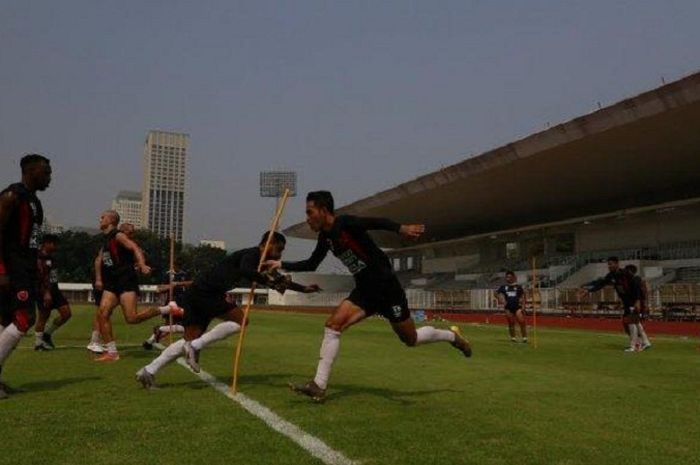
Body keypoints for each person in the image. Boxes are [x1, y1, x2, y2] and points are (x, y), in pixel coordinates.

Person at [267, 191, 472, 403]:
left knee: (411, 339)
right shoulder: (325, 238)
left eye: (310, 213)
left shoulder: (345, 223)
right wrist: (280, 264)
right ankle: (319, 385)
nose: (307, 218)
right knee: (332, 326)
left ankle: (452, 337)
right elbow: (311, 263)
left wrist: (401, 229)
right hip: (365, 291)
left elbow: (375, 221)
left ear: (323, 210)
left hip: (387, 288)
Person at [136, 231, 319, 389]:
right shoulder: (253, 254)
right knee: (241, 320)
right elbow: (247, 271)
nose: (279, 255)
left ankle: (149, 371)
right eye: (278, 250)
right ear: (267, 244)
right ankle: (194, 346)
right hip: (206, 293)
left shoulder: (262, 263)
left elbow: (278, 280)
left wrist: (303, 289)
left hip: (197, 294)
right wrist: (268, 280)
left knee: (189, 339)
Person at [94, 211, 180, 362]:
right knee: (102, 314)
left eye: (103, 217)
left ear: (111, 220)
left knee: (132, 318)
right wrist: (99, 279)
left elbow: (135, 248)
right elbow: (99, 260)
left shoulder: (118, 235)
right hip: (111, 283)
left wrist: (142, 264)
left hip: (126, 280)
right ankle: (112, 353)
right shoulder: (105, 240)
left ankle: (166, 309)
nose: (100, 219)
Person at [0, 154, 52, 399]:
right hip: (12, 269)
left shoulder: (35, 202)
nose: (50, 178)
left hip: (26, 269)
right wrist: (2, 272)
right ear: (31, 172)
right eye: (46, 173)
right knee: (24, 318)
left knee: (6, 320)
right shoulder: (12, 196)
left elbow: (32, 242)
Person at [87, 222, 136, 354]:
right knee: (102, 310)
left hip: (110, 280)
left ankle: (98, 341)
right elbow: (98, 260)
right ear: (122, 231)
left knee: (106, 311)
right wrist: (98, 279)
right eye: (130, 233)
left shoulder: (120, 245)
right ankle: (94, 341)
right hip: (104, 280)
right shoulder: (111, 241)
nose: (132, 235)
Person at [578, 257, 644, 352]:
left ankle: (635, 345)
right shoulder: (611, 275)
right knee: (627, 323)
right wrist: (589, 291)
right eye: (608, 264)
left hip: (633, 301)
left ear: (617, 264)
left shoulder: (625, 273)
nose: (609, 266)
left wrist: (638, 301)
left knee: (631, 322)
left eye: (611, 264)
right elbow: (601, 284)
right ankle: (639, 343)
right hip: (626, 302)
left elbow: (636, 286)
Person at [33, 234, 72, 350]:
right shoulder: (38, 258)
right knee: (43, 316)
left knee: (66, 314)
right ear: (47, 243)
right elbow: (41, 276)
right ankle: (38, 344)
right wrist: (46, 293)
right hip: (43, 291)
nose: (56, 247)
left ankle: (47, 335)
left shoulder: (51, 257)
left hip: (54, 290)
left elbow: (52, 276)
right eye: (54, 244)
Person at [142, 260, 191, 350]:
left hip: (183, 302)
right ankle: (154, 336)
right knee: (181, 325)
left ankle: (150, 341)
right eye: (175, 265)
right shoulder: (168, 275)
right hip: (173, 302)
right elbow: (162, 287)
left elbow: (191, 283)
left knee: (172, 326)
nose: (176, 267)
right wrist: (164, 288)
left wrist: (177, 284)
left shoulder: (185, 274)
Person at [625, 264, 652, 350]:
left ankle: (634, 346)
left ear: (630, 271)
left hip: (635, 305)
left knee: (632, 324)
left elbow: (639, 294)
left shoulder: (635, 280)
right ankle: (646, 342)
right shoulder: (637, 280)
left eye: (626, 271)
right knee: (637, 324)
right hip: (638, 304)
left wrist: (638, 303)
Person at [496, 271, 527, 343]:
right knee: (511, 322)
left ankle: (524, 337)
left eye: (509, 277)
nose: (508, 279)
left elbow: (523, 296)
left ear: (513, 277)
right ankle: (513, 338)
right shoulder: (504, 287)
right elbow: (496, 293)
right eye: (507, 277)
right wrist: (501, 299)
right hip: (508, 307)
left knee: (521, 321)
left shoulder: (518, 287)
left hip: (517, 307)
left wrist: (523, 306)